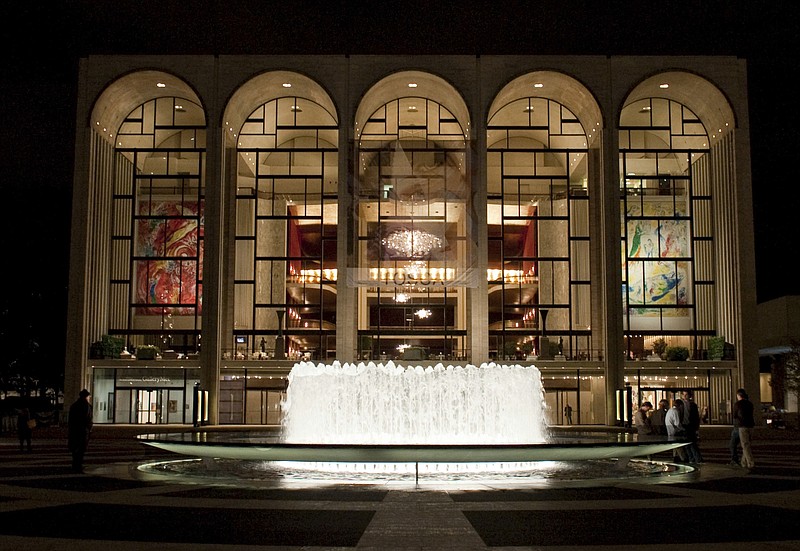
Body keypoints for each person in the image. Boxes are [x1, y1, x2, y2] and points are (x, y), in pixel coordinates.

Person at [68, 389, 94, 473]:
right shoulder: (87, 406)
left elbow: (71, 420)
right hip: (82, 430)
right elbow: (88, 420)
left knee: (76, 449)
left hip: (76, 430)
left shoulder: (75, 406)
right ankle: (78, 465)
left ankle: (76, 464)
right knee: (81, 449)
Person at [730, 388, 755, 468]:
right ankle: (743, 462)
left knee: (744, 445)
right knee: (747, 445)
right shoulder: (750, 404)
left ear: (738, 395)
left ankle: (750, 463)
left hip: (742, 426)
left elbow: (734, 415)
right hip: (751, 425)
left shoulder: (737, 404)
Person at [682, 390, 704, 464]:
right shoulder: (681, 405)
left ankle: (698, 459)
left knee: (692, 443)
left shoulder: (693, 405)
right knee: (687, 444)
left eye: (686, 394)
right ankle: (691, 458)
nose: (685, 396)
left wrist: (696, 428)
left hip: (690, 426)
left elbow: (696, 417)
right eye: (683, 395)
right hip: (683, 426)